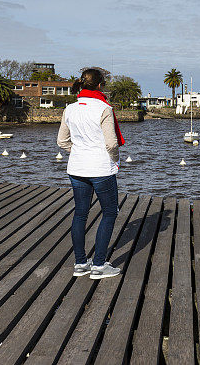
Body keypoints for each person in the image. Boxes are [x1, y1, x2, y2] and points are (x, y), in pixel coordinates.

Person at [57, 68, 125, 279]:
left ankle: (80, 263)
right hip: (100, 168)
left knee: (80, 213)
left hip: (76, 167)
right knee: (109, 212)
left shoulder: (70, 108)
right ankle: (98, 265)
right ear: (100, 85)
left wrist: (78, 152)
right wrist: (114, 160)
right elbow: (111, 143)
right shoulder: (103, 108)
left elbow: (62, 141)